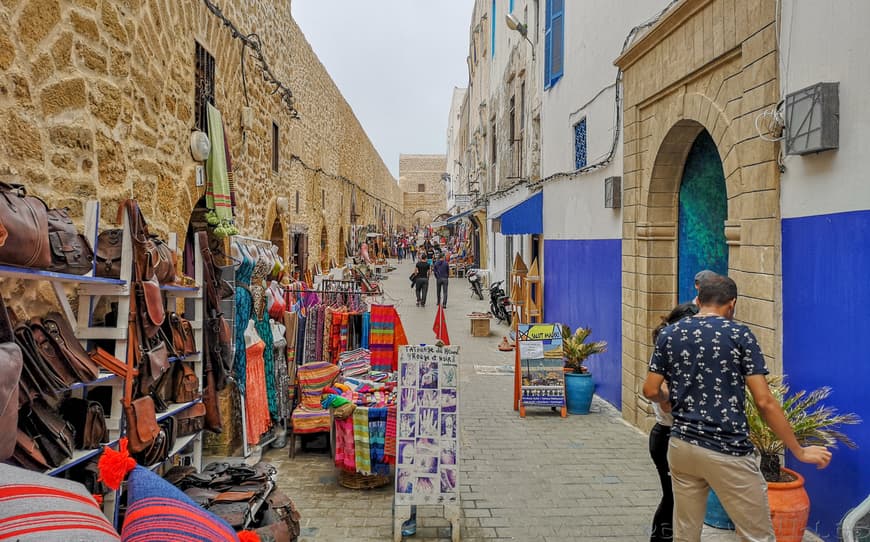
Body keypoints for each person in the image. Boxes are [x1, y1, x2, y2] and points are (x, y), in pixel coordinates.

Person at [642, 275, 831, 541]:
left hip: (682, 446)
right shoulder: (740, 335)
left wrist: (670, 400)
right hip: (727, 449)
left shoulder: (670, 334)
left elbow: (650, 390)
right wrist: (798, 450)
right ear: (732, 304)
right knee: (757, 536)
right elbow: (764, 401)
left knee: (685, 535)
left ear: (699, 301)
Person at [647, 302, 699, 542]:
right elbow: (665, 402)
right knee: (672, 497)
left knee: (681, 498)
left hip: (685, 437)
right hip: (668, 436)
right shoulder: (665, 356)